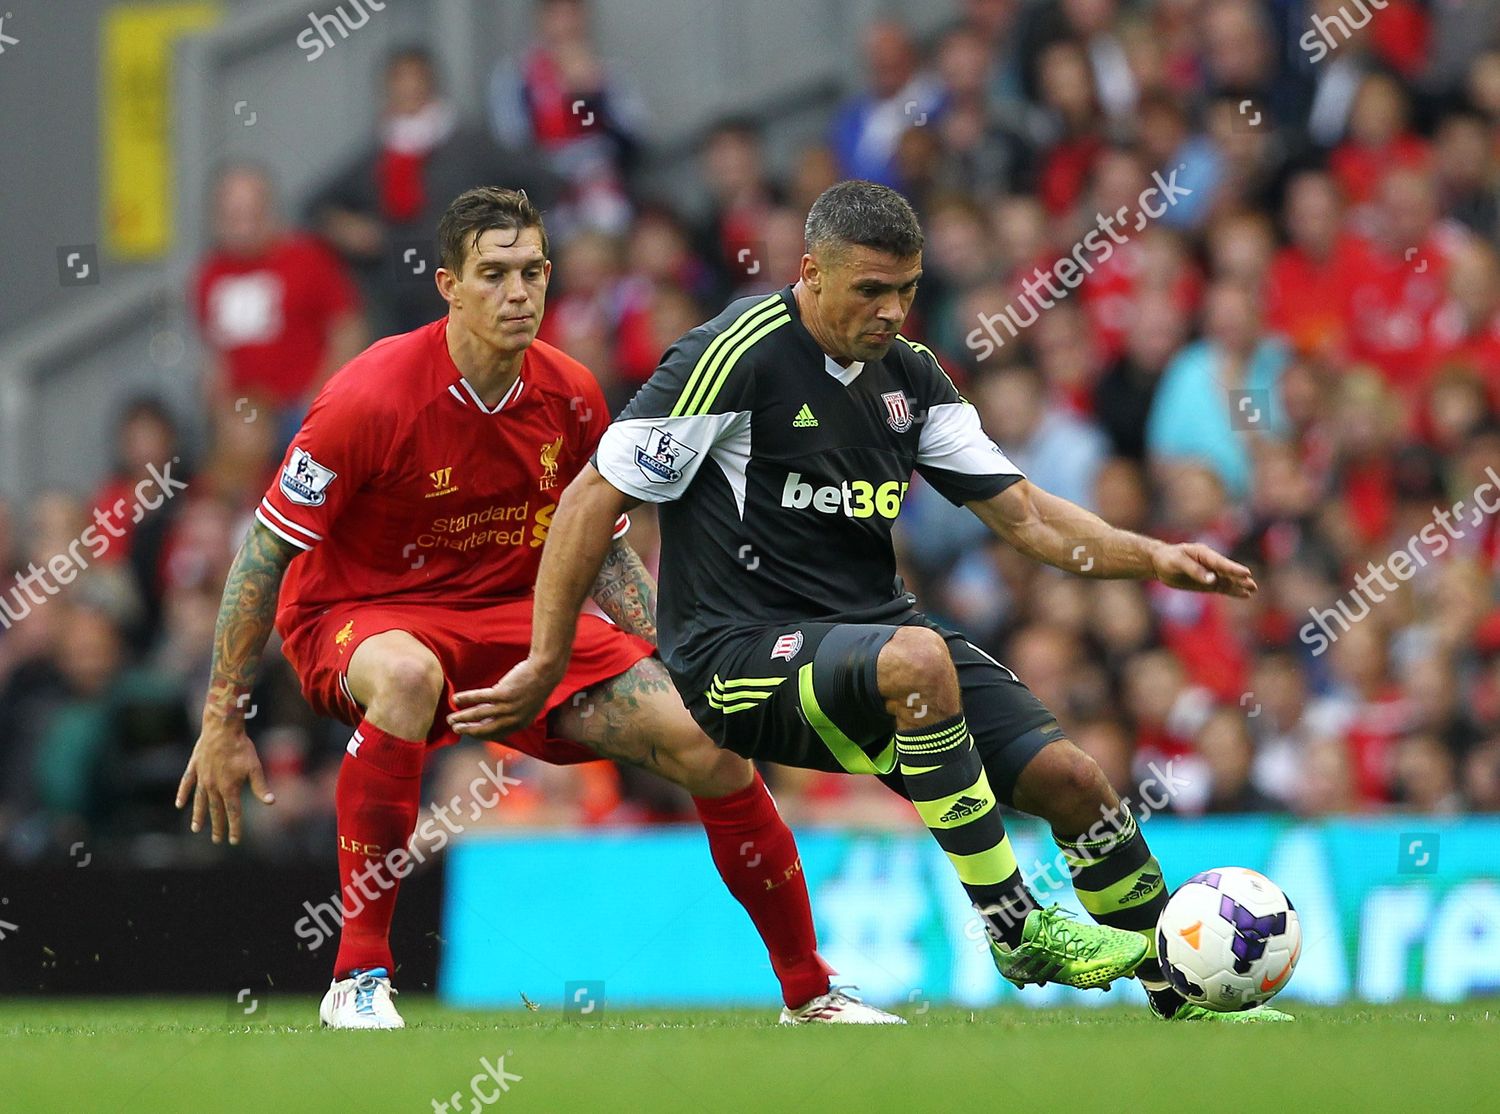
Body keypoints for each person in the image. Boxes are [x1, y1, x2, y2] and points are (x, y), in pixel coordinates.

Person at [461, 180, 1292, 1022]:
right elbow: (590, 497)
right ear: (810, 272)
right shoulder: (736, 356)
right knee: (918, 657)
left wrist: (1153, 555)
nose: (892, 310)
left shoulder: (912, 379)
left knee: (1073, 781)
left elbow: (1030, 516)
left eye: (907, 290)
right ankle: (1015, 926)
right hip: (735, 656)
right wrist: (545, 656)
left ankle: (1183, 994)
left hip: (876, 645)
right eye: (870, 290)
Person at [175, 187, 897, 1029]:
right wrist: (223, 719)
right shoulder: (367, 397)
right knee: (406, 676)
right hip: (364, 612)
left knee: (708, 738)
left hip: (516, 616)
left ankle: (812, 992)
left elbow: (603, 547)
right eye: (493, 275)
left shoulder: (572, 395)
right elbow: (265, 551)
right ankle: (359, 980)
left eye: (531, 272)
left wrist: (678, 651)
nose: (518, 293)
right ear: (448, 284)